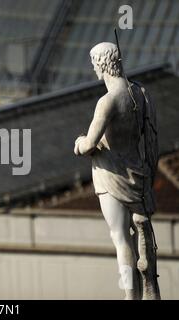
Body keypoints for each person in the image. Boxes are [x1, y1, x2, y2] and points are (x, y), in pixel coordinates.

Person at [74, 42, 160, 300]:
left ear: (102, 64)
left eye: (93, 63)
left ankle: (129, 294)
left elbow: (90, 144)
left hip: (111, 176)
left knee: (120, 239)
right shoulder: (140, 93)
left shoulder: (108, 101)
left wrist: (78, 144)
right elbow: (150, 141)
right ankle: (148, 289)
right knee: (141, 238)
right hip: (138, 175)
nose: (93, 68)